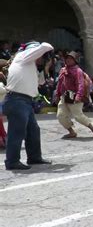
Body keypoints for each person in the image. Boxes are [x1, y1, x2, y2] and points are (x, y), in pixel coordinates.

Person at [3, 41, 53, 170]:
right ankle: (12, 161)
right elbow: (46, 46)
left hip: (25, 101)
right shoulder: (22, 56)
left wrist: (44, 69)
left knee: (33, 131)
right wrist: (43, 51)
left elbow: (40, 83)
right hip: (17, 99)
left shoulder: (29, 65)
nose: (42, 59)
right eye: (42, 56)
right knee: (17, 132)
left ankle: (34, 157)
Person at [56, 51, 93, 139]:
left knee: (78, 116)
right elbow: (60, 83)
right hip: (65, 96)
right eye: (67, 58)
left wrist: (78, 96)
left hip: (75, 96)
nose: (68, 60)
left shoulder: (78, 71)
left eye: (70, 59)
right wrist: (57, 95)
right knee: (60, 115)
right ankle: (72, 132)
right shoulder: (63, 70)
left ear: (75, 60)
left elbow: (80, 84)